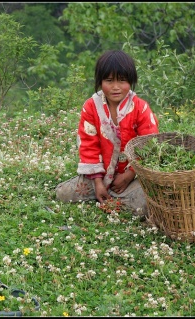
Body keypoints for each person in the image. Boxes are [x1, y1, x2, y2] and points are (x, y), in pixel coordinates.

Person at [55, 49, 159, 216]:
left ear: (131, 81)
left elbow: (149, 144)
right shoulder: (91, 107)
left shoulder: (140, 108)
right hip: (99, 175)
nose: (115, 87)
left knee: (146, 202)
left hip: (133, 176)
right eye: (109, 81)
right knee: (63, 193)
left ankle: (113, 199)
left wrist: (128, 175)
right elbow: (89, 145)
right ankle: (109, 196)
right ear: (100, 81)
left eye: (122, 81)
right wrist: (98, 182)